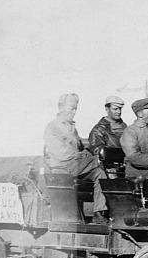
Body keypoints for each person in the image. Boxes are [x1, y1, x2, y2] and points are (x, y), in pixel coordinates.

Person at [43, 93, 109, 224]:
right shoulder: (52, 127)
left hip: (75, 166)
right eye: (71, 108)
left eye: (75, 109)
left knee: (99, 174)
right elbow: (63, 155)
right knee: (98, 161)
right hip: (62, 168)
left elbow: (79, 147)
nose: (74, 112)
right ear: (61, 107)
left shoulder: (72, 127)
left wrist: (85, 153)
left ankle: (98, 212)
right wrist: (86, 156)